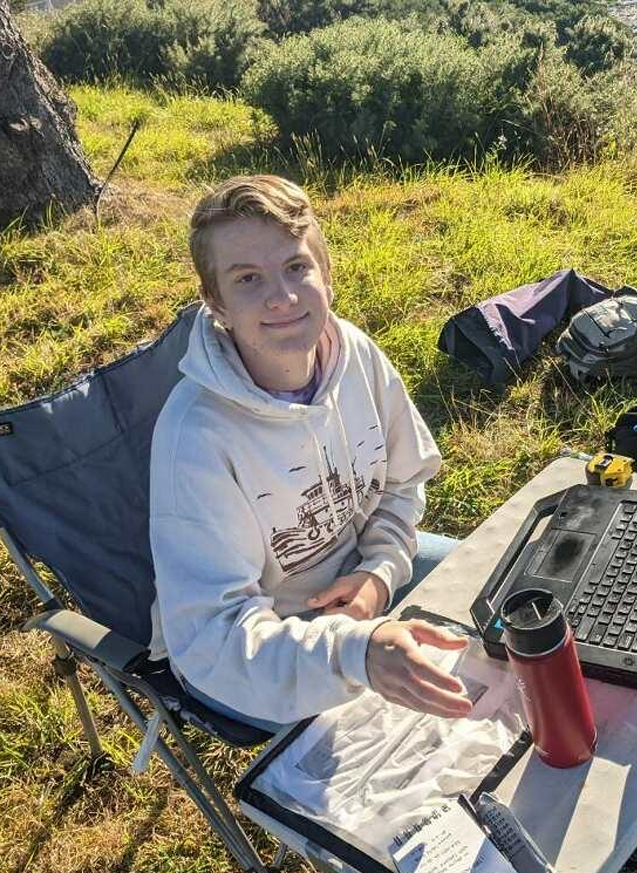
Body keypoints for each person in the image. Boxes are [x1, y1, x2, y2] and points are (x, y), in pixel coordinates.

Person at [146, 174, 473, 729]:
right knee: (406, 742)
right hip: (263, 650)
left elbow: (401, 481)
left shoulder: (355, 354)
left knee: (498, 599)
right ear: (215, 303)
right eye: (248, 279)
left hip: (365, 572)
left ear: (326, 272)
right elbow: (213, 638)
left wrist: (380, 573)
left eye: (296, 266)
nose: (282, 297)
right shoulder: (195, 439)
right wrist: (353, 650)